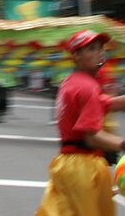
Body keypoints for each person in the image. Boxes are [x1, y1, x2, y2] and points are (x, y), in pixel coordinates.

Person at [36, 30, 125, 216]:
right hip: (83, 166)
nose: (99, 52)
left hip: (69, 164)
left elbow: (106, 103)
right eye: (91, 48)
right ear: (76, 55)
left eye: (101, 48)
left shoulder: (72, 82)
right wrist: (121, 144)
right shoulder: (87, 86)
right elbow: (91, 137)